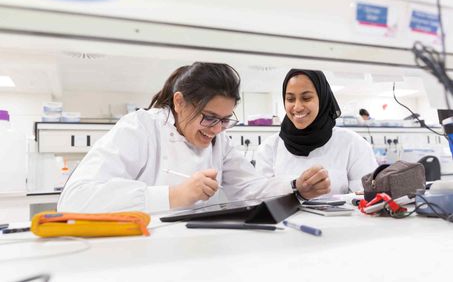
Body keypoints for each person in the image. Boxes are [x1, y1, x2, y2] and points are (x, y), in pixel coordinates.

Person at [58, 63, 330, 213]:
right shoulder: (141, 128)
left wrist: (296, 186)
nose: (216, 129)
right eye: (209, 117)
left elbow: (250, 187)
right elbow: (75, 199)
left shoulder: (219, 141)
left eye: (225, 120)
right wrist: (174, 195)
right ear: (179, 102)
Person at [255, 69, 378, 195]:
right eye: (290, 99)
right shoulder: (269, 148)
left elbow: (367, 198)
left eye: (306, 98)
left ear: (322, 98)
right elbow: (261, 200)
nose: (297, 107)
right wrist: (296, 190)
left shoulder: (353, 144)